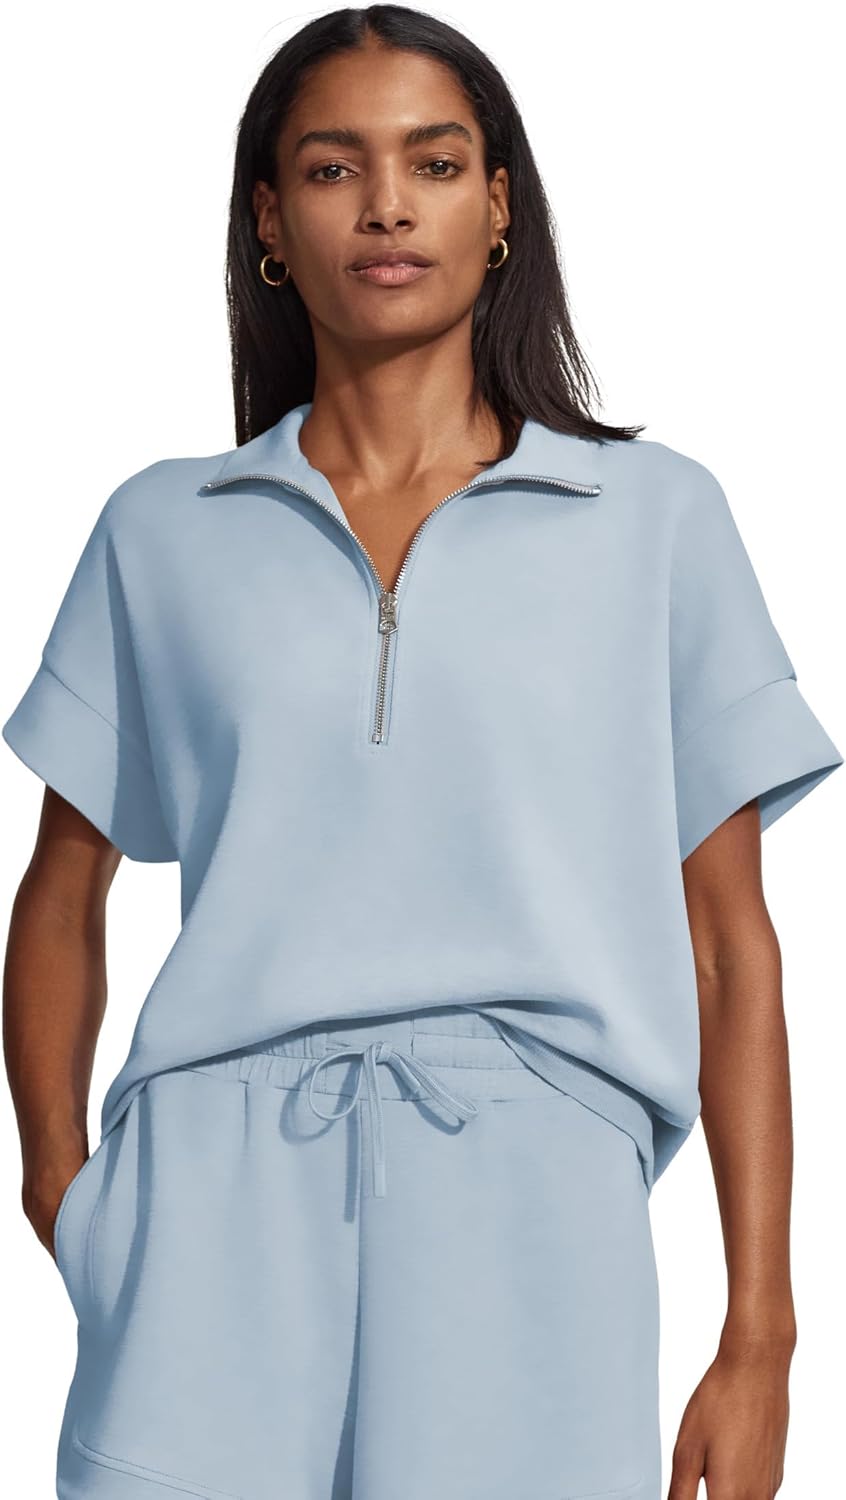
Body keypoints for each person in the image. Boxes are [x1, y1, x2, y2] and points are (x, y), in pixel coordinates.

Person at [2, 7, 842, 1499]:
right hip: (204, 1207)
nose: (387, 206)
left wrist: (760, 1332)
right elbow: (64, 894)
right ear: (271, 220)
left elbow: (728, 947)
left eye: (435, 164)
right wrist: (66, 1193)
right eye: (334, 169)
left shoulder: (654, 520)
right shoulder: (162, 529)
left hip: (536, 1204)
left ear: (498, 204)